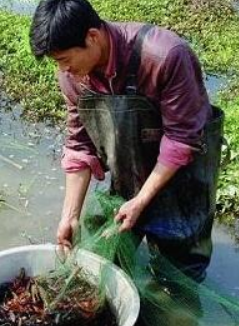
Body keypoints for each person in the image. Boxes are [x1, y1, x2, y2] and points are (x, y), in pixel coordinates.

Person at [30, 0, 223, 284]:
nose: (63, 69)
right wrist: (69, 216)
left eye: (64, 59)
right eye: (57, 62)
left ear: (92, 37)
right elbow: (80, 144)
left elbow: (181, 139)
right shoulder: (73, 77)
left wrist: (142, 201)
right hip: (130, 170)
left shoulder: (166, 56)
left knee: (180, 273)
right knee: (106, 258)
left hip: (183, 179)